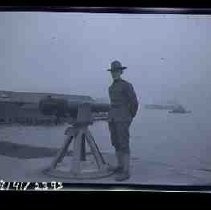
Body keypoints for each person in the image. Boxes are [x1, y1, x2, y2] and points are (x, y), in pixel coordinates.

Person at [107, 60, 139, 181]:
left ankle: (126, 171)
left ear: (121, 72)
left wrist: (130, 117)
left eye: (117, 71)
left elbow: (134, 102)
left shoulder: (126, 85)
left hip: (123, 118)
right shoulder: (110, 88)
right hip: (112, 118)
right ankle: (120, 166)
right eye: (113, 71)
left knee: (124, 143)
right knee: (115, 142)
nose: (114, 73)